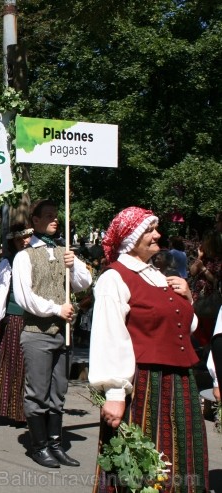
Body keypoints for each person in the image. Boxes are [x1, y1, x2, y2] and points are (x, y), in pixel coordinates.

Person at [89, 207, 208, 492]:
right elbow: (110, 336)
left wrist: (188, 298)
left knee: (181, 459)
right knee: (143, 467)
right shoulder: (114, 278)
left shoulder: (158, 275)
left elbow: (185, 328)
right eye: (150, 230)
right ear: (131, 238)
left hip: (179, 383)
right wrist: (115, 393)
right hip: (145, 385)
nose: (158, 235)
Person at [12, 199, 91, 468]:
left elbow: (83, 284)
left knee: (59, 391)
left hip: (63, 334)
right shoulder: (24, 256)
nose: (55, 220)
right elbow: (25, 297)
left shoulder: (63, 252)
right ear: (35, 221)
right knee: (37, 392)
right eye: (48, 216)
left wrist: (74, 265)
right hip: (38, 332)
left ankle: (55, 443)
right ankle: (39, 445)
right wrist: (57, 308)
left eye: (56, 216)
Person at [0, 224, 33, 424]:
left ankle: (31, 409)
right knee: (14, 363)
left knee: (31, 366)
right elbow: (0, 292)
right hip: (15, 318)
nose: (24, 242)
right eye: (19, 239)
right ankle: (12, 409)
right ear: (12, 242)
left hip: (36, 318)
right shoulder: (8, 262)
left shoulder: (38, 258)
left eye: (27, 237)